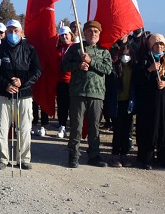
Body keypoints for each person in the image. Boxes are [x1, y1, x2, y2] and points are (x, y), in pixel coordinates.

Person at [0, 20, 41, 170]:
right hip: (2, 95)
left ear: (22, 33)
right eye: (10, 31)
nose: (13, 34)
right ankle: (2, 159)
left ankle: (24, 159)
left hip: (23, 95)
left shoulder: (30, 49)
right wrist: (6, 85)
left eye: (16, 31)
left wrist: (22, 82)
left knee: (24, 129)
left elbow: (37, 71)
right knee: (1, 128)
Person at [61, 21, 113, 168]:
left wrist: (91, 61)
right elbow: (63, 66)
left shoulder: (104, 52)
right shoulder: (76, 49)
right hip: (78, 92)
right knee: (76, 126)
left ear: (99, 34)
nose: (93, 34)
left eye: (96, 31)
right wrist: (78, 65)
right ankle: (73, 155)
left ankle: (94, 156)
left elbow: (108, 70)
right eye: (90, 31)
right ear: (84, 33)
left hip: (97, 94)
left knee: (94, 127)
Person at [133, 33, 165, 170]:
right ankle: (146, 158)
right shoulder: (144, 59)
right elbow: (137, 79)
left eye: (162, 44)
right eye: (156, 44)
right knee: (148, 127)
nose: (159, 47)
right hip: (148, 102)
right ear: (151, 45)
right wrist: (149, 69)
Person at [109, 43, 135, 168]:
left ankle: (124, 154)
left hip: (128, 103)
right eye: (124, 54)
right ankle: (115, 155)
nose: (126, 57)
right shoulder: (114, 68)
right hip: (117, 103)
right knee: (117, 130)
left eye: (128, 54)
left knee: (126, 130)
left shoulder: (133, 68)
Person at [54, 26, 74, 139]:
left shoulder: (75, 47)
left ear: (71, 35)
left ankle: (73, 127)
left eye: (66, 34)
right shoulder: (58, 48)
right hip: (60, 81)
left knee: (73, 106)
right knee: (62, 106)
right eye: (62, 35)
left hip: (73, 81)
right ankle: (62, 126)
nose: (64, 37)